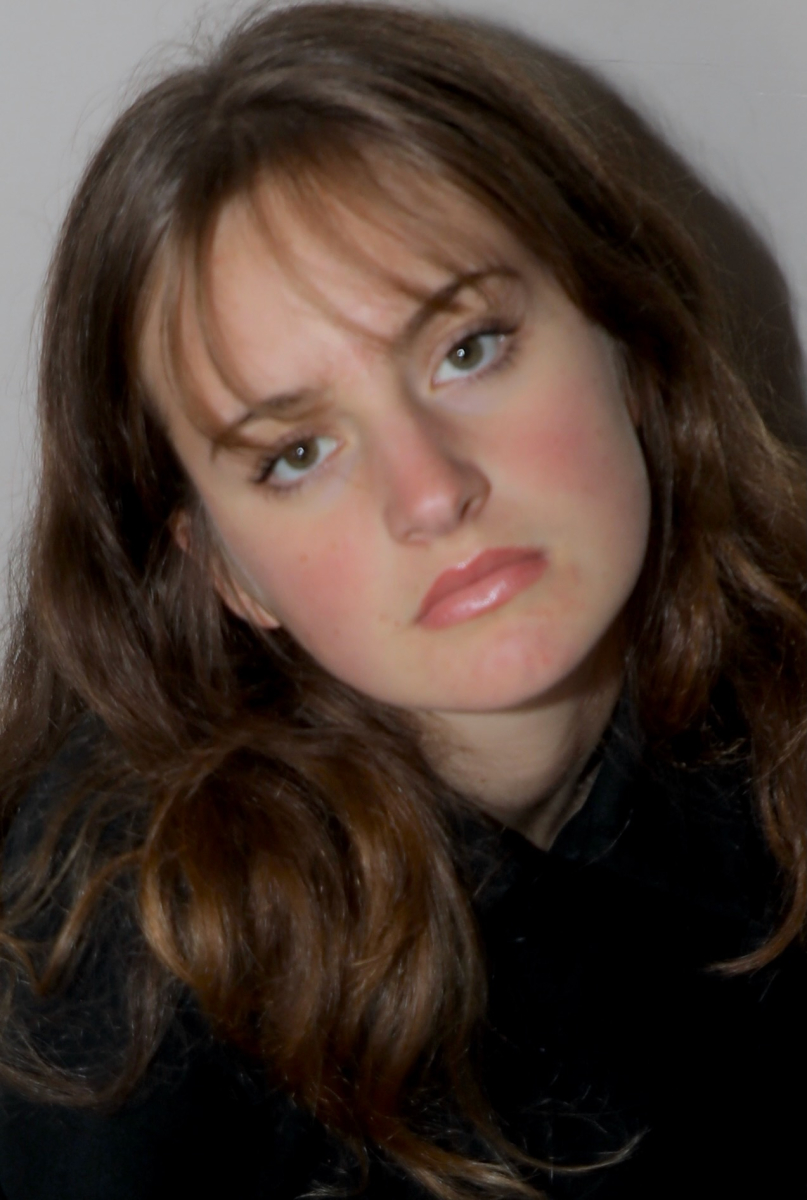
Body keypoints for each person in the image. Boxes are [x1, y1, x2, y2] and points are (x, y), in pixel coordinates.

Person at [0, 3, 804, 1198]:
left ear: (627, 343)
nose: (431, 492)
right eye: (296, 454)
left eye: (467, 349)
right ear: (226, 571)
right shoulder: (130, 970)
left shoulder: (776, 706)